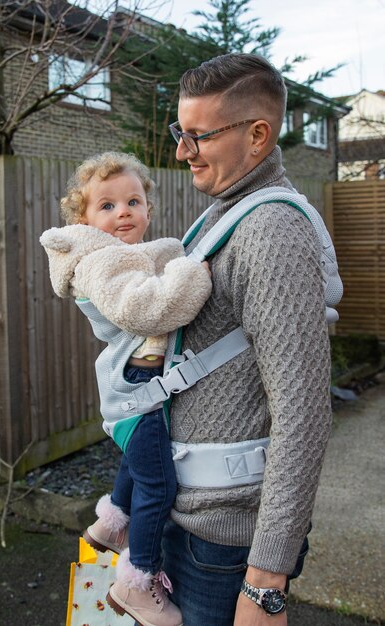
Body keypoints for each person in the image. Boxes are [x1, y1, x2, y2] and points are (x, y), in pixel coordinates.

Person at [158, 53, 333, 626]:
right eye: (179, 132)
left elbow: (303, 412)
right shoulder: (219, 217)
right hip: (186, 522)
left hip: (229, 551)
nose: (182, 151)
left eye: (198, 136)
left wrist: (265, 584)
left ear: (257, 135)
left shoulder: (272, 234)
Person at [40, 151, 212, 626]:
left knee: (141, 463)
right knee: (159, 483)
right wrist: (189, 273)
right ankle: (137, 580)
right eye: (107, 206)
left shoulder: (121, 255)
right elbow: (148, 310)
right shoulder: (100, 262)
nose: (124, 213)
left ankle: (113, 522)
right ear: (85, 219)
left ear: (148, 209)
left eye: (133, 201)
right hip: (138, 385)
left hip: (139, 382)